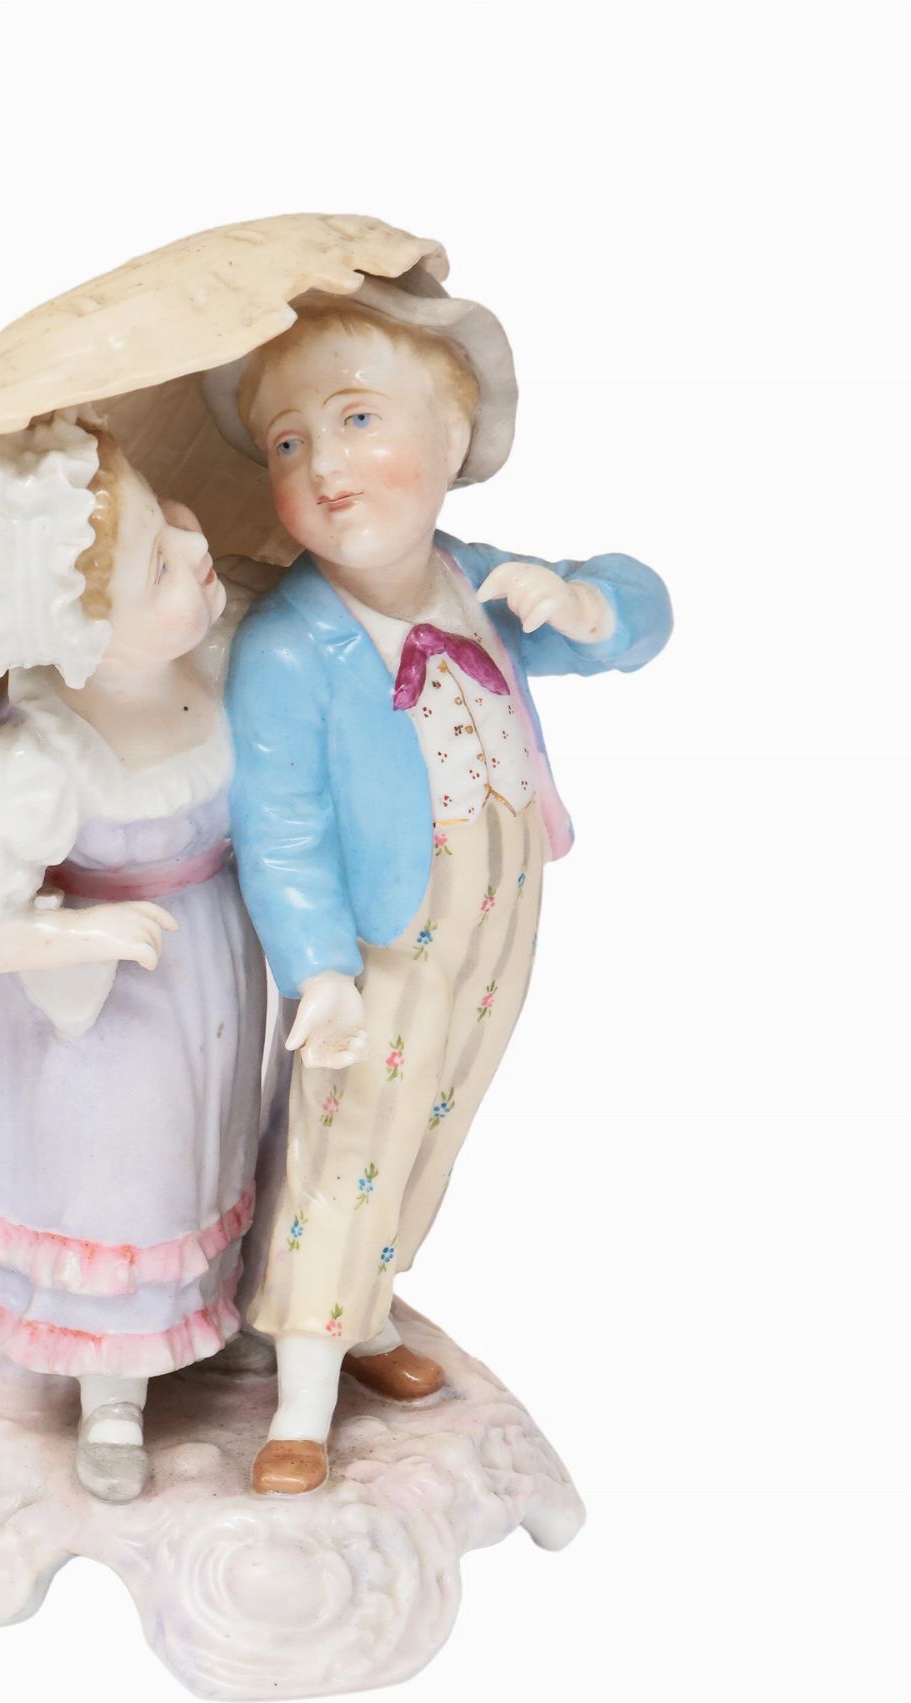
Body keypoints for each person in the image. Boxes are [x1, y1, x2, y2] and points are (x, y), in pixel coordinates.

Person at [211, 287, 672, 1494]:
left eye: (359, 420)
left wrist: (585, 605)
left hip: (498, 912)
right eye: (288, 444)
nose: (324, 469)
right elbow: (281, 825)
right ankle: (299, 1395)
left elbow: (635, 610)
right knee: (348, 1137)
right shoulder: (288, 645)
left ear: (454, 437)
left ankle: (366, 1313)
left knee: (433, 1121)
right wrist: (316, 967)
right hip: (385, 938)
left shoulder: (477, 580)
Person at [0, 413, 265, 1502]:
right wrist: (76, 933)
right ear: (80, 637)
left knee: (213, 1151)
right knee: (125, 1186)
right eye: (158, 565)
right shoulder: (39, 759)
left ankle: (208, 1315)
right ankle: (112, 1394)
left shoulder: (222, 651)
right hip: (110, 1021)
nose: (195, 546)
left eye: (170, 517)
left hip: (214, 972)